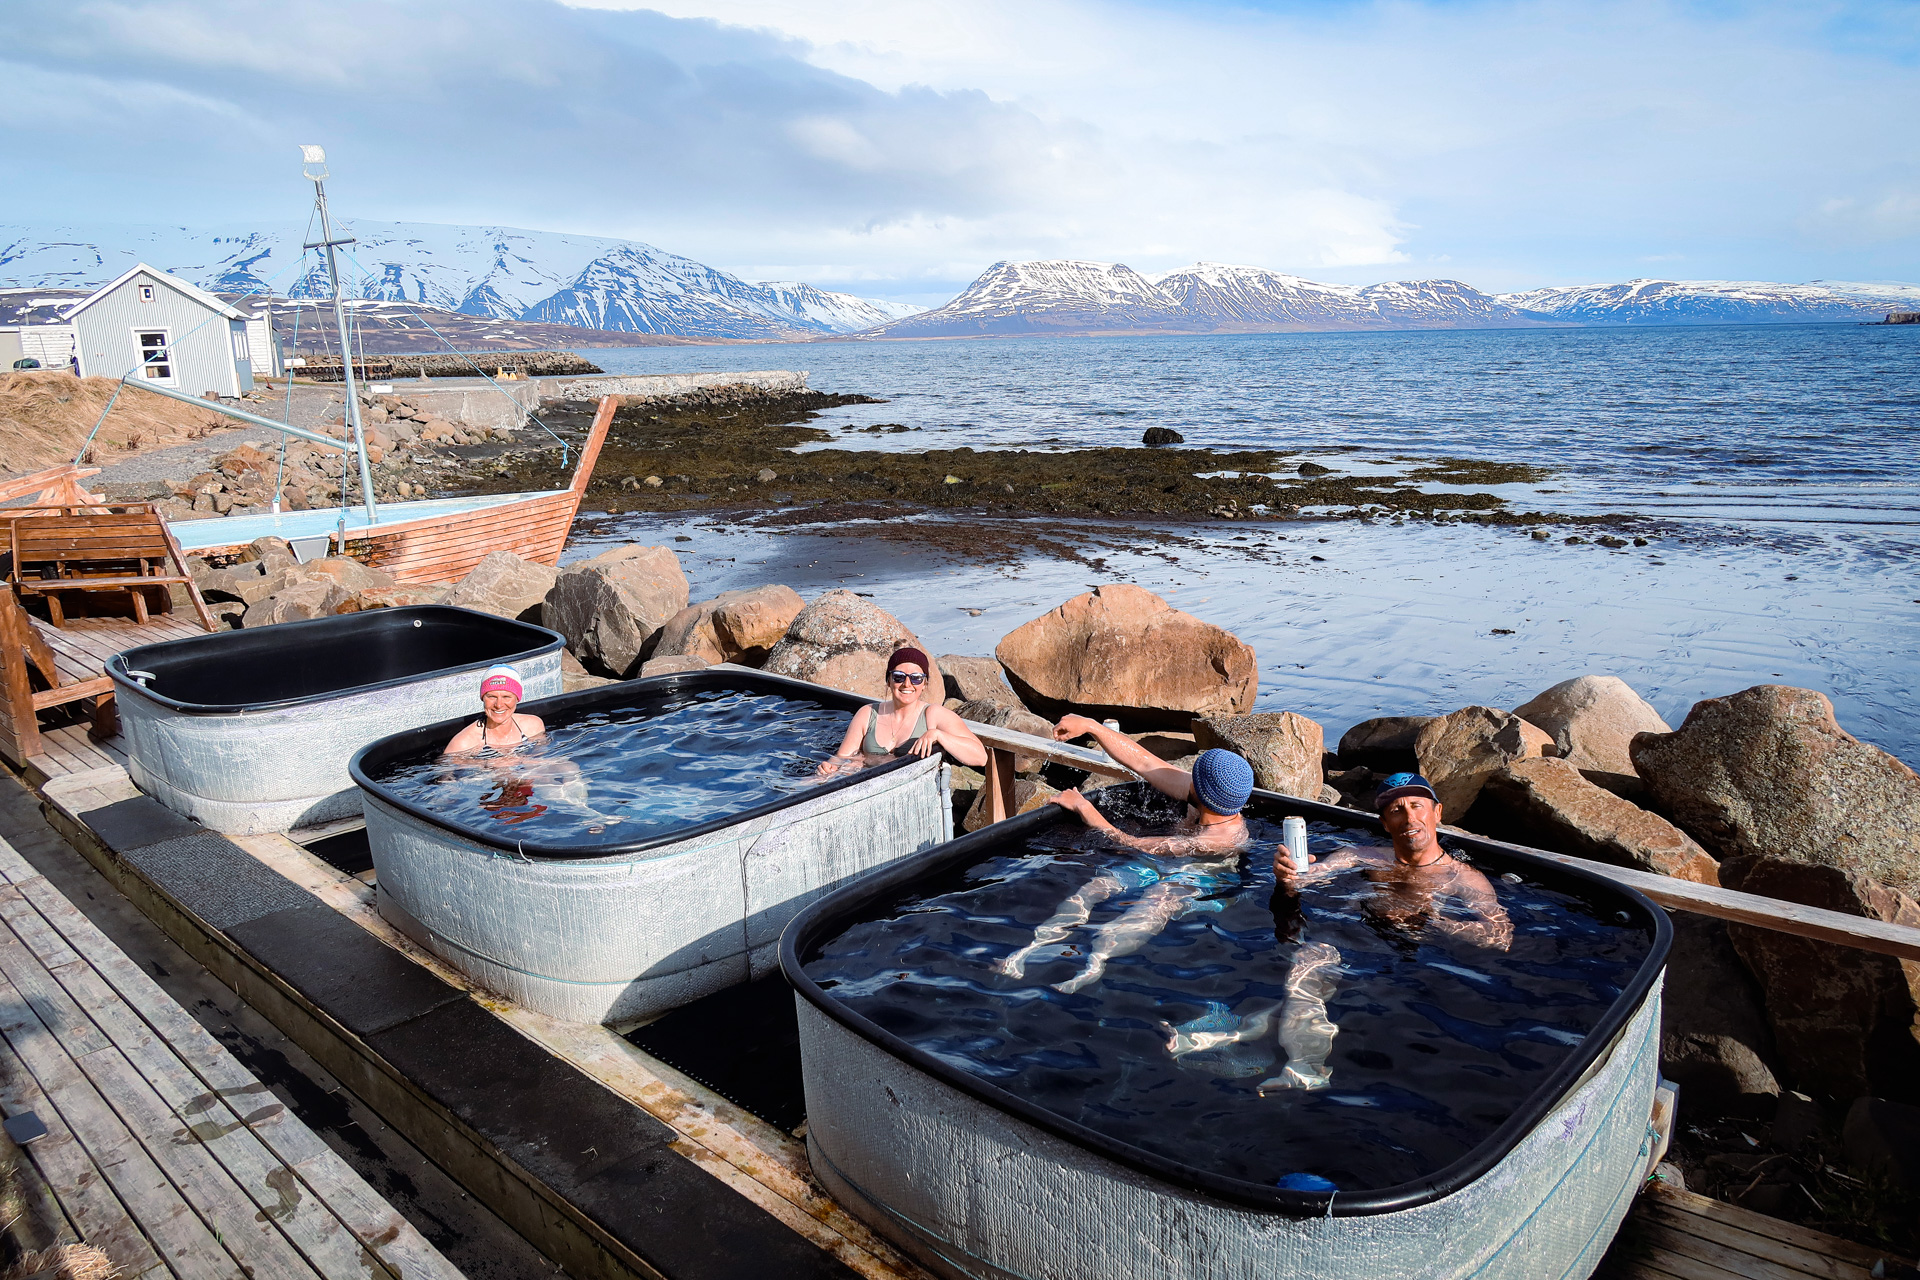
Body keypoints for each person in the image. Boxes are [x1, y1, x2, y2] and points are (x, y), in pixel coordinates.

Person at [998, 726, 1256, 994]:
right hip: (1164, 859)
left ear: (1201, 790)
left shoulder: (1222, 838)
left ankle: (1096, 960)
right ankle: (1031, 948)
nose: (1187, 778)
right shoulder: (1207, 799)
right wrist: (1091, 726)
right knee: (1096, 887)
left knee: (1156, 901)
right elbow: (1143, 761)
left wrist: (1085, 808)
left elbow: (1132, 843)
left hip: (1208, 875)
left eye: (1193, 776)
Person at [1276, 772, 1513, 952]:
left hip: (1418, 956)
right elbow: (1303, 880)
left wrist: (1432, 922)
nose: (1410, 818)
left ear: (1437, 812)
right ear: (1386, 823)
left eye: (1417, 806)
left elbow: (1501, 935)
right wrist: (1287, 874)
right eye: (1397, 810)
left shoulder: (1462, 877)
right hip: (1354, 938)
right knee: (1310, 954)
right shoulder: (1360, 855)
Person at [818, 647, 988, 775]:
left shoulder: (933, 715)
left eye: (916, 678)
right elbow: (842, 757)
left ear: (925, 684)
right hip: (870, 787)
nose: (907, 684)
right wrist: (827, 769)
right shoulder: (867, 713)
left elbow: (980, 757)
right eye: (899, 676)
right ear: (888, 680)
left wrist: (938, 735)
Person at [444, 665, 545, 756]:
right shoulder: (464, 743)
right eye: (492, 697)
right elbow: (446, 774)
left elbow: (544, 764)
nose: (499, 705)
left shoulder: (533, 727)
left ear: (517, 698)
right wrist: (487, 766)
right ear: (483, 698)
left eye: (506, 697)